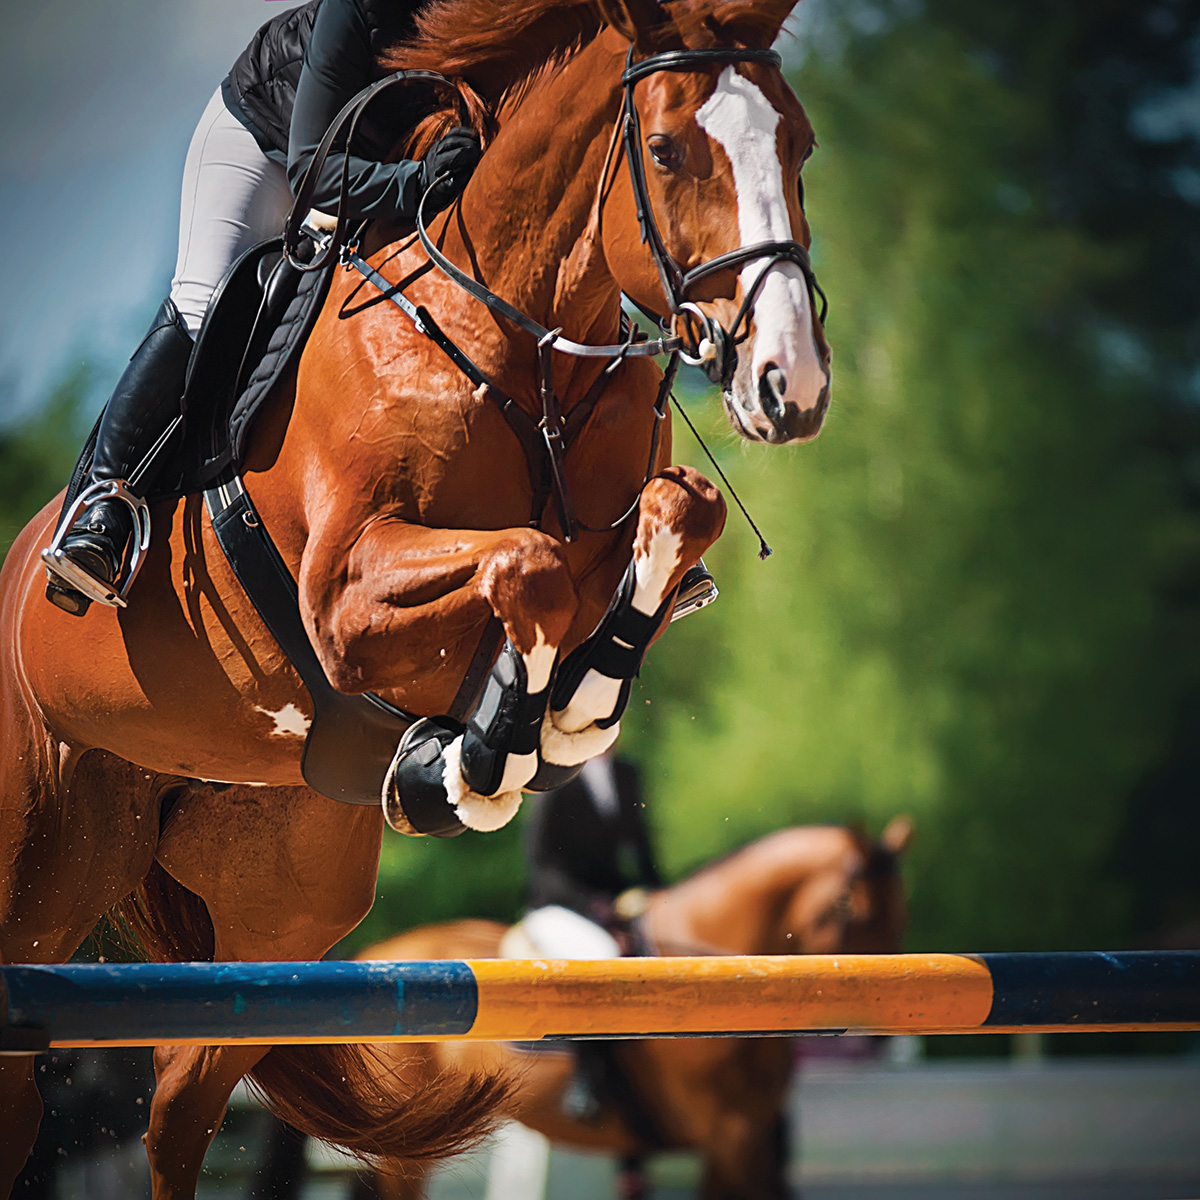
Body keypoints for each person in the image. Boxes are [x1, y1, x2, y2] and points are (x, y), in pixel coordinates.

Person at [44, 0, 481, 616]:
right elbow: (312, 173)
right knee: (202, 302)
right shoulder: (353, 9)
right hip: (267, 144)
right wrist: (413, 184)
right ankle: (102, 507)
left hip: (367, 166)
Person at [523, 752, 663, 952]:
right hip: (562, 905)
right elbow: (541, 859)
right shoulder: (555, 779)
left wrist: (657, 889)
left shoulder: (626, 772)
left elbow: (640, 842)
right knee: (603, 952)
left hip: (613, 897)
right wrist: (588, 902)